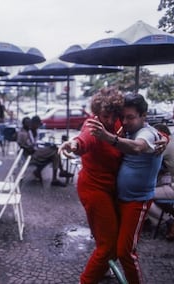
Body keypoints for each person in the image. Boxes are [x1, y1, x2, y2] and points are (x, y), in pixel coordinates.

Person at [88, 93, 164, 284]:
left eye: (131, 117)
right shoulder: (126, 129)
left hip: (137, 201)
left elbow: (138, 147)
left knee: (125, 252)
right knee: (109, 242)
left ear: (143, 116)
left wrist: (110, 138)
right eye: (124, 117)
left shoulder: (147, 134)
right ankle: (105, 270)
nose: (125, 121)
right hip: (118, 198)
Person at [58, 88, 125, 283]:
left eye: (115, 115)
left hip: (111, 189)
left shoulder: (118, 123)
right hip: (94, 190)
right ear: (97, 114)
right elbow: (83, 140)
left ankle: (104, 269)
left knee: (113, 238)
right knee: (107, 243)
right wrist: (72, 145)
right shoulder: (93, 125)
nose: (111, 120)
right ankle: (86, 280)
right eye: (106, 116)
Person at [17, 116, 72, 187]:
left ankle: (54, 178)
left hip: (35, 152)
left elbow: (33, 143)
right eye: (28, 123)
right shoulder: (23, 133)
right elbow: (25, 146)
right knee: (55, 150)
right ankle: (60, 172)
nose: (37, 126)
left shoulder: (32, 131)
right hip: (31, 155)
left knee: (54, 155)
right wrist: (34, 148)